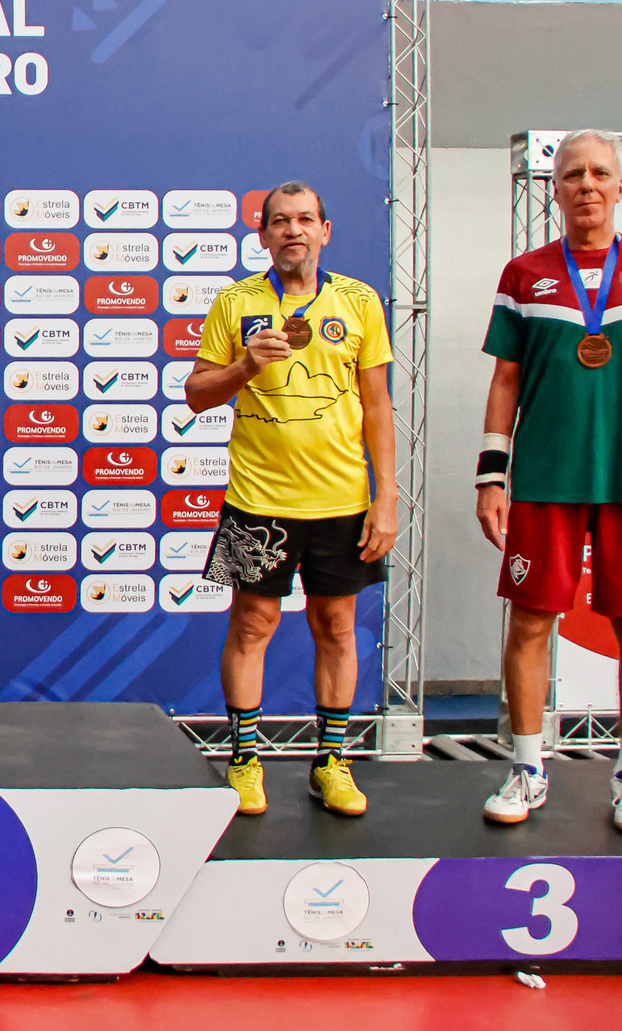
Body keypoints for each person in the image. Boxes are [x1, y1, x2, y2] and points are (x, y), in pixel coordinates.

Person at [476, 129, 622, 834]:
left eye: (600, 173)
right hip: (545, 479)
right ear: (556, 188)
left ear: (621, 186)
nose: (587, 185)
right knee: (531, 622)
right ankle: (526, 765)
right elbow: (505, 378)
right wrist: (491, 476)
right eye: (573, 174)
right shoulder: (524, 273)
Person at [187, 182, 397, 817]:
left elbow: (378, 406)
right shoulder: (235, 302)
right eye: (280, 221)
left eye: (305, 219)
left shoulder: (359, 301)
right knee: (252, 624)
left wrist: (386, 497)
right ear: (263, 234)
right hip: (259, 499)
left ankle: (331, 763)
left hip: (342, 501)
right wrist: (245, 367)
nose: (293, 230)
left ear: (325, 231)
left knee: (336, 627)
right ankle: (244, 760)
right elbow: (197, 395)